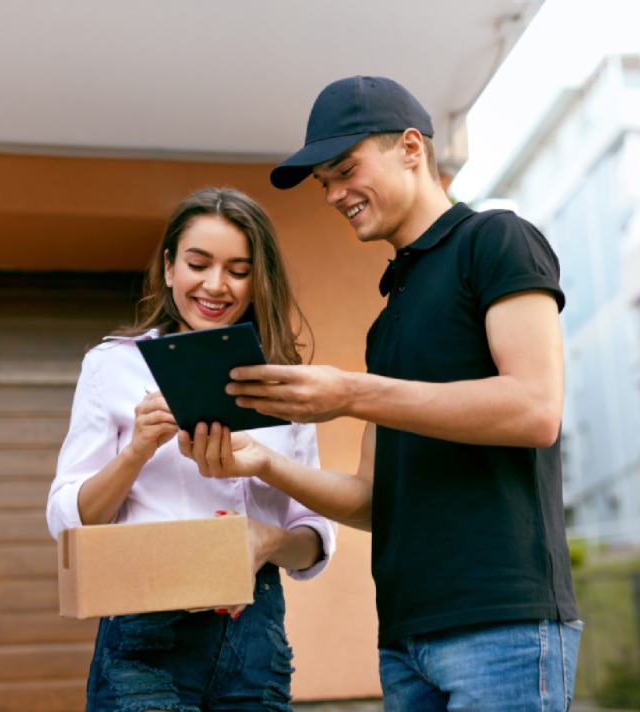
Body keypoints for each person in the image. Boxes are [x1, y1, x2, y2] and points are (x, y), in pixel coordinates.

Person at [180, 76, 581, 711]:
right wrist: (263, 462)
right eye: (325, 184)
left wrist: (350, 393)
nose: (335, 194)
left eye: (345, 170)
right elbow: (372, 501)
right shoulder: (389, 311)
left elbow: (536, 409)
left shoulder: (497, 241)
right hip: (404, 639)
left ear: (412, 149)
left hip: (502, 625)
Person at [46, 186, 337, 712]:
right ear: (168, 267)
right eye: (197, 263)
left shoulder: (286, 386)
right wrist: (136, 449)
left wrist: (266, 543)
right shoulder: (113, 366)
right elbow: (68, 521)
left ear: (258, 279)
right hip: (146, 636)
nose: (215, 285)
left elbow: (315, 536)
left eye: (238, 269)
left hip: (257, 635)